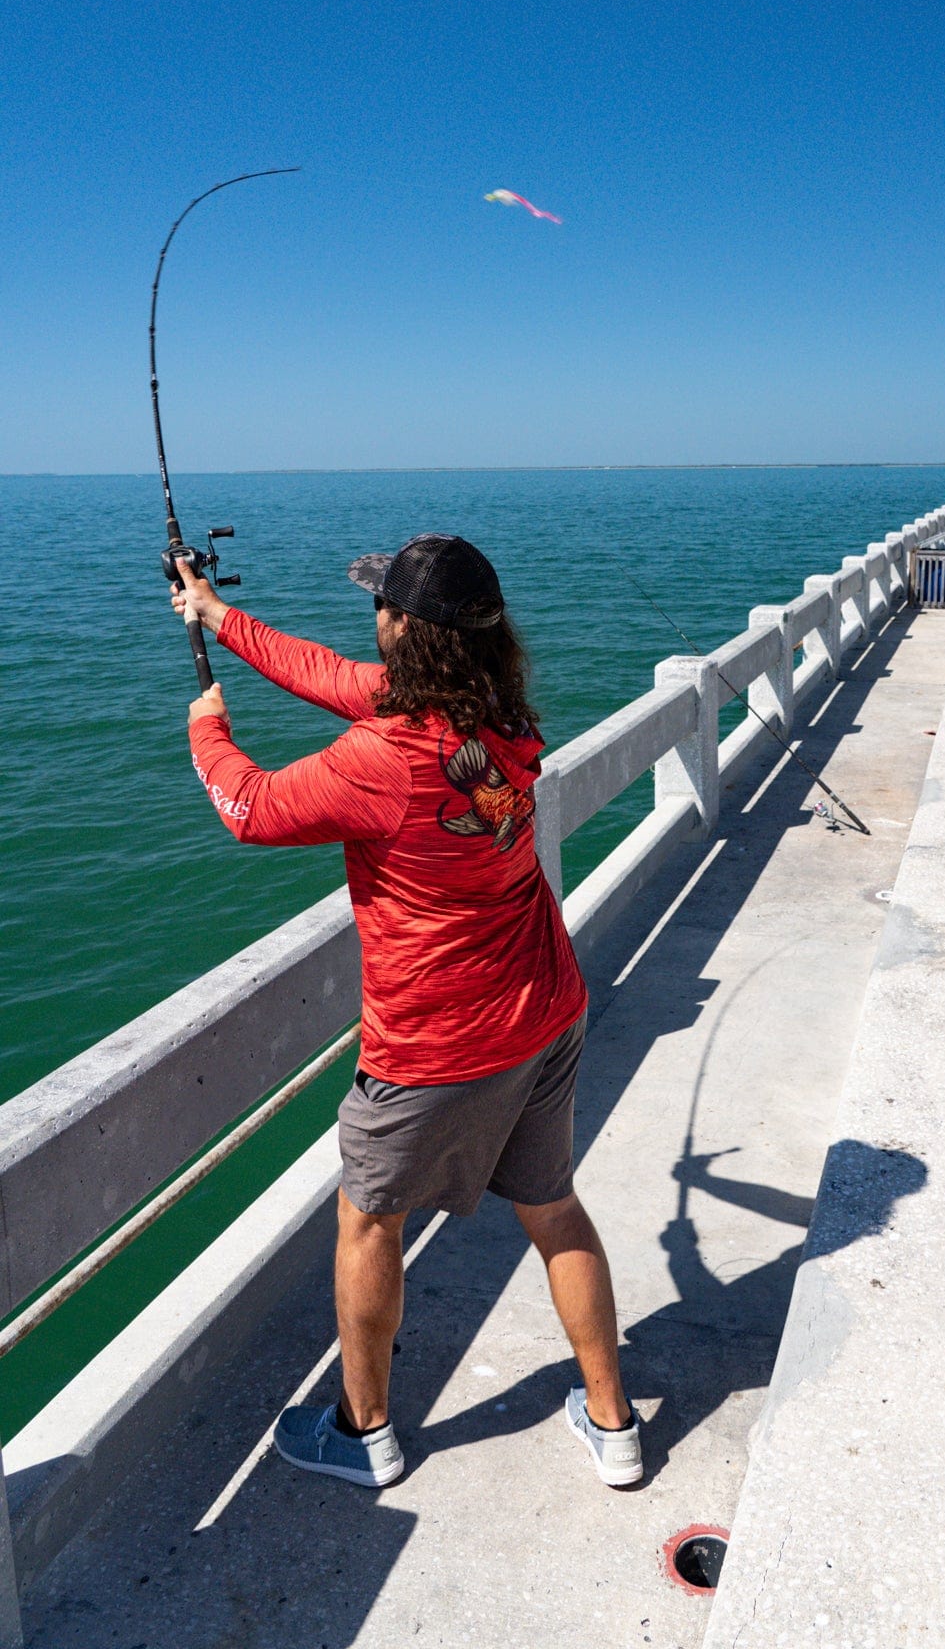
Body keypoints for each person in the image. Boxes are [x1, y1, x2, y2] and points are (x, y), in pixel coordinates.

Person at [173, 532, 643, 1490]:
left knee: (369, 1225)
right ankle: (615, 1423)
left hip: (436, 1045)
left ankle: (364, 1434)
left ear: (403, 631)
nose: (372, 619)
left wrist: (206, 728)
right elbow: (341, 680)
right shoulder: (497, 717)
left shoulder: (382, 758)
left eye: (380, 605)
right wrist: (220, 618)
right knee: (552, 1209)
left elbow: (251, 809)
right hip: (546, 1011)